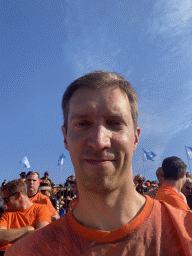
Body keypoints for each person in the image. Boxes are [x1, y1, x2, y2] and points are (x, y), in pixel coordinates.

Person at [5, 71, 192, 256]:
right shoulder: (26, 252)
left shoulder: (187, 232)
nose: (99, 141)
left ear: (135, 137)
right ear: (65, 138)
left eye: (115, 123)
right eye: (83, 124)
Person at [0, 179, 51, 254]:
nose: (4, 203)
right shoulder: (7, 212)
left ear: (18, 195)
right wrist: (28, 230)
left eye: (6, 199)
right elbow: (1, 235)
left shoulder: (41, 209)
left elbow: (42, 234)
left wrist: (10, 237)